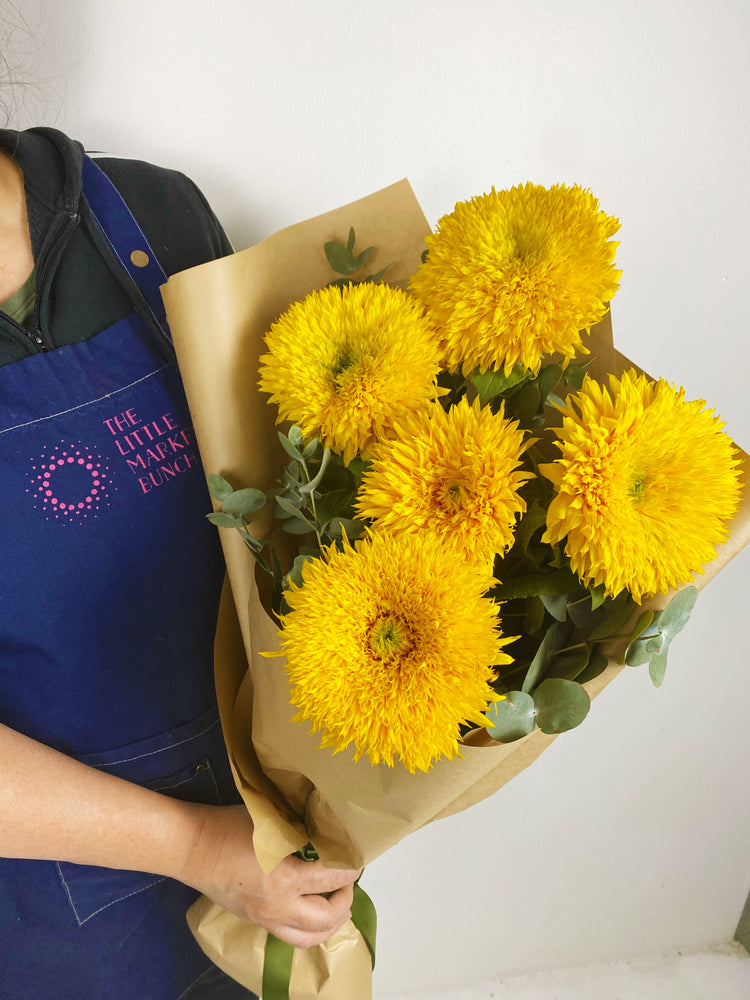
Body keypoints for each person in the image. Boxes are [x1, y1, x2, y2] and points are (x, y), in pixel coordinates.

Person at [0, 126, 360, 1000]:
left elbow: (290, 515)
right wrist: (196, 847)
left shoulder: (150, 217)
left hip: (273, 811)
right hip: (53, 888)